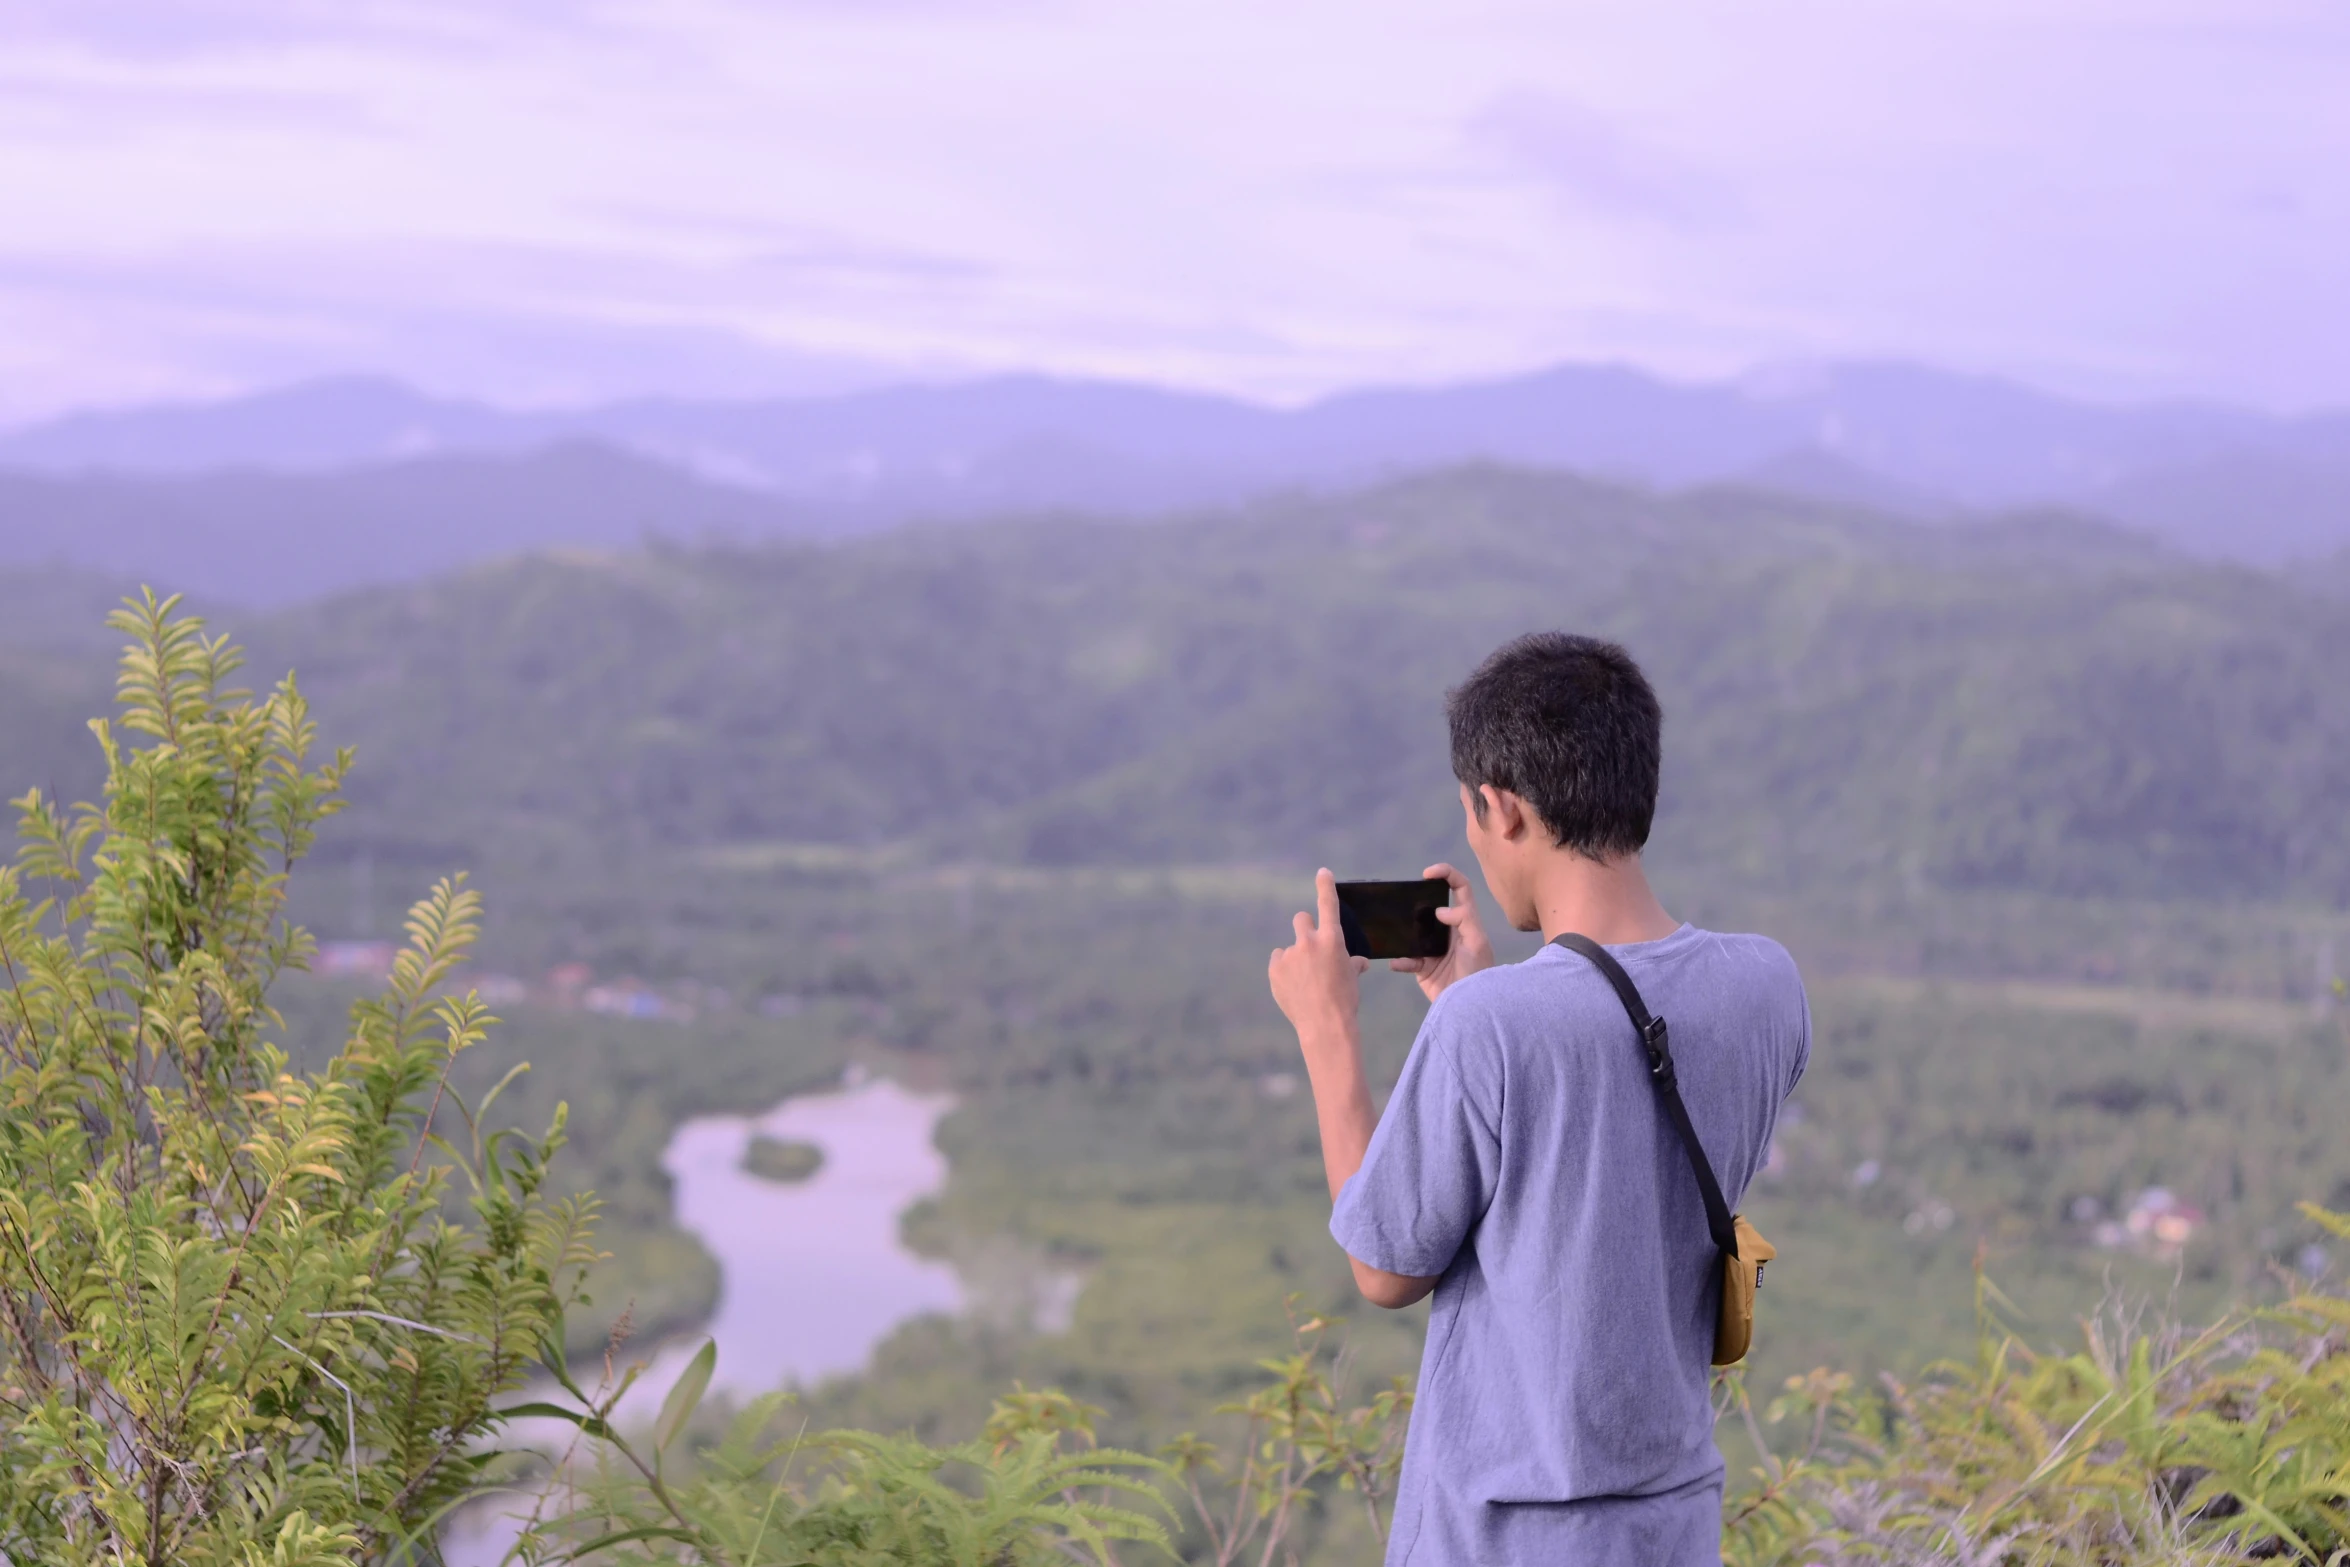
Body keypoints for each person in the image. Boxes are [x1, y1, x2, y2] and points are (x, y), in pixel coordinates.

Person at [1267, 632, 1810, 1567]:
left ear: (1502, 807)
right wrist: (1469, 991)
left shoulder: (1494, 1027)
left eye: (1475, 819)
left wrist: (1328, 1031)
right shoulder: (1767, 986)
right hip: (1673, 1526)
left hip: (1505, 1536)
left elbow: (1385, 1268)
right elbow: (1606, 1117)